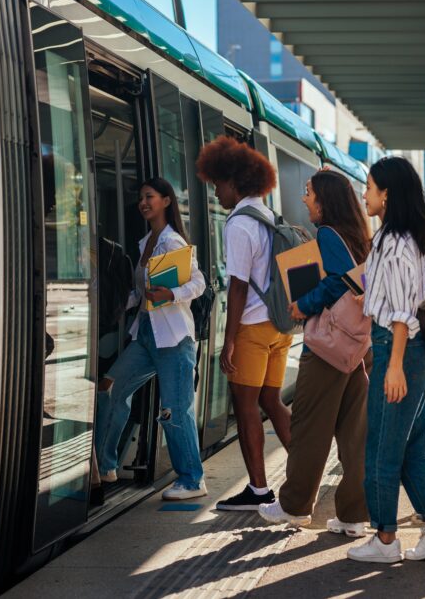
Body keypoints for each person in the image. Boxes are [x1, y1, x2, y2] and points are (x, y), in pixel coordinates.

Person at [257, 169, 372, 535]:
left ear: (324, 199)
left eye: (308, 192)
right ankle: (355, 514)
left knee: (308, 425)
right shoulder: (358, 236)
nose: (305, 198)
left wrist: (304, 304)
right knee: (354, 432)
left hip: (328, 347)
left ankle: (293, 506)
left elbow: (338, 279)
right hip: (358, 345)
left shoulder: (326, 234)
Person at [93, 177, 208, 500]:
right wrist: (118, 303)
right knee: (110, 386)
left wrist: (172, 293)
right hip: (145, 334)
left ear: (166, 201)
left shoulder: (172, 242)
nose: (144, 202)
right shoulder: (146, 242)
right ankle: (106, 464)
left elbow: (197, 283)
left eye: (150, 197)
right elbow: (140, 293)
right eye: (141, 197)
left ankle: (192, 479)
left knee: (175, 408)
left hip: (173, 339)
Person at [195, 135, 292, 511]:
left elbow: (237, 286)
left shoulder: (238, 224)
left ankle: (258, 490)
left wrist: (229, 340)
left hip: (252, 327)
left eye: (218, 184)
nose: (216, 192)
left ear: (234, 182)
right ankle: (305, 472)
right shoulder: (267, 215)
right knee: (272, 399)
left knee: (246, 404)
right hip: (279, 326)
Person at [347, 156, 425, 564]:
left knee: (382, 448)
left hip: (400, 351)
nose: (364, 194)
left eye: (368, 187)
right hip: (403, 350)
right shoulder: (393, 239)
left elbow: (403, 314)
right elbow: (398, 299)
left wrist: (395, 364)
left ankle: (385, 540)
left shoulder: (398, 243)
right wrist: (373, 300)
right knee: (414, 447)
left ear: (387, 193)